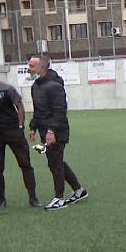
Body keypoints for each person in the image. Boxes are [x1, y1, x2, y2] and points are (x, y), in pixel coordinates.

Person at [27, 55, 86, 210]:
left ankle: (59, 198)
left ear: (42, 67)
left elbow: (60, 110)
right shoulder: (36, 85)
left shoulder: (54, 85)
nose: (29, 68)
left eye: (32, 66)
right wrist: (33, 126)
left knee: (55, 163)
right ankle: (79, 191)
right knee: (57, 161)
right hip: (44, 130)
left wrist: (51, 130)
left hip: (57, 131)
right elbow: (38, 110)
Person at [0, 61, 39, 209]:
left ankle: (33, 197)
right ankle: (1, 199)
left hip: (14, 131)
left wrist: (20, 126)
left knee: (25, 164)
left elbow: (19, 105)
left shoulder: (7, 88)